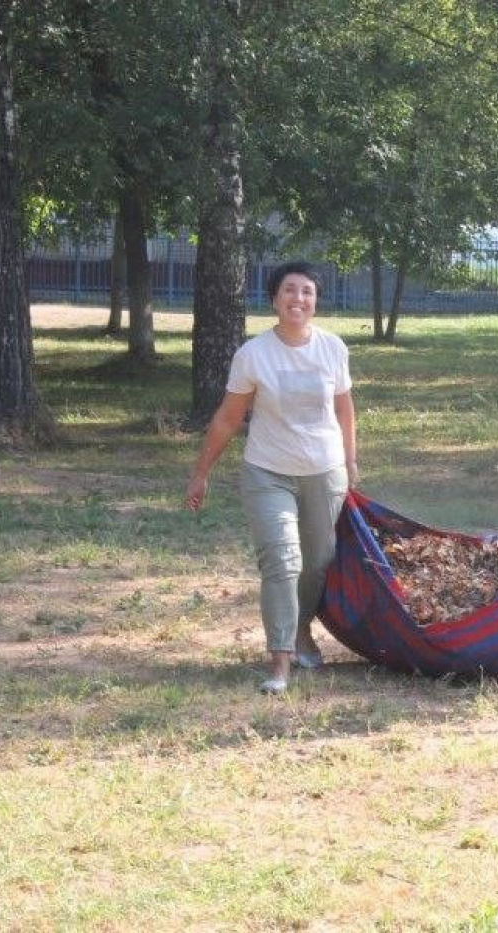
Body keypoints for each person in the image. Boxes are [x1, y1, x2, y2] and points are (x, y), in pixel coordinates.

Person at [185, 261, 357, 695]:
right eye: (289, 291)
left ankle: (300, 630)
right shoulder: (253, 355)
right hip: (268, 472)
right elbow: (228, 419)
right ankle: (279, 661)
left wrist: (350, 462)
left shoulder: (333, 348)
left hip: (324, 470)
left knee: (317, 562)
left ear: (316, 300)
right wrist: (201, 473)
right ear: (274, 298)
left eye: (307, 292)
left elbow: (343, 410)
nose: (298, 299)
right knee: (282, 561)